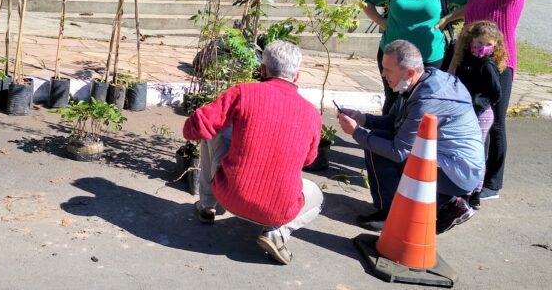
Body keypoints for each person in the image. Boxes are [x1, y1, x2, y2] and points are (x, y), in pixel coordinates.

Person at [183, 41, 323, 265]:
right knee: (318, 196)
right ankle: (277, 232)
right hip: (279, 208)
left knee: (214, 131)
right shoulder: (312, 114)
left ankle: (208, 205)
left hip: (230, 195)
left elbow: (198, 126)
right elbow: (309, 159)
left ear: (263, 70)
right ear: (296, 76)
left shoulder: (244, 93)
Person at [337, 40, 484, 234]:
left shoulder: (427, 100)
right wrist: (362, 119)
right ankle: (439, 204)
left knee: (378, 148)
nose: (383, 74)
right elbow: (395, 122)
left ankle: (395, 213)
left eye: (388, 70)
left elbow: (398, 151)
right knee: (377, 140)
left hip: (456, 172)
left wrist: (356, 132)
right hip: (451, 164)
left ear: (410, 73)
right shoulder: (422, 81)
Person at [440, 0, 527, 202]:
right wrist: (454, 63)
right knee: (475, 121)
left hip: (499, 66)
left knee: (496, 123)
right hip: (471, 66)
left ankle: (493, 183)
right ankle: (473, 175)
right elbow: (468, 22)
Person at [360, 0, 472, 114]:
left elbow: (474, 1)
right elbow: (365, 0)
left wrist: (449, 18)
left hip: (431, 57)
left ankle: (415, 139)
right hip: (393, 56)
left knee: (425, 102)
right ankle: (387, 137)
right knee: (393, 100)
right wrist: (381, 21)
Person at [451, 20, 507, 210]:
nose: (483, 48)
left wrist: (479, 104)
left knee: (476, 153)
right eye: (479, 43)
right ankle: (461, 187)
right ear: (471, 40)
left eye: (488, 44)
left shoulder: (488, 65)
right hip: (464, 112)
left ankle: (475, 192)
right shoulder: (465, 59)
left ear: (495, 46)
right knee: (463, 150)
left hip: (481, 114)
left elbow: (496, 93)